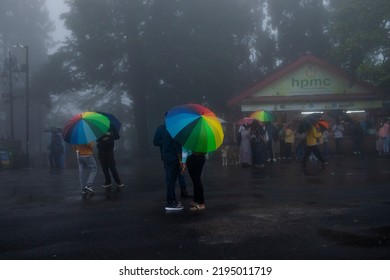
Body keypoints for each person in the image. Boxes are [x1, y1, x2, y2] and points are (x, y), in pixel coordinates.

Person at [153, 123, 185, 211]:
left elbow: (155, 142)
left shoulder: (160, 128)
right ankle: (170, 202)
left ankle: (172, 200)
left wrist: (164, 142)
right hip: (173, 157)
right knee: (171, 179)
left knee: (170, 179)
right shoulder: (174, 129)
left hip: (165, 157)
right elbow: (177, 145)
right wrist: (181, 159)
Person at [96, 125, 124, 191]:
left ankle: (118, 182)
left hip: (109, 150)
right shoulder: (99, 128)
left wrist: (109, 138)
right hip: (101, 150)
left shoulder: (112, 127)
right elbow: (96, 139)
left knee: (112, 166)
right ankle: (108, 182)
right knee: (104, 167)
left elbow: (117, 136)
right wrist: (102, 138)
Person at [181, 147, 206, 211]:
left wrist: (183, 164)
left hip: (192, 158)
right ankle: (196, 200)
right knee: (196, 180)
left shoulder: (188, 137)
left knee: (196, 181)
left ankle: (201, 203)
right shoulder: (202, 137)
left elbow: (185, 150)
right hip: (201, 157)